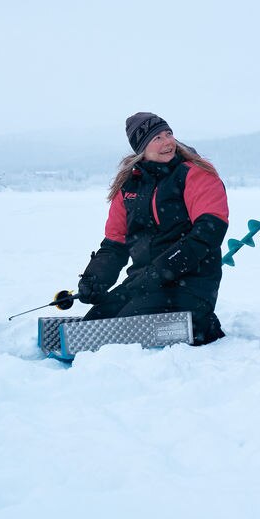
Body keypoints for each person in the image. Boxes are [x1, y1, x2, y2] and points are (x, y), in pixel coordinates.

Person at [75, 112, 229, 345]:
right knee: (95, 323)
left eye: (169, 134)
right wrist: (94, 279)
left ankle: (202, 324)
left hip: (190, 283)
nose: (168, 142)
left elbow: (208, 232)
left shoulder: (195, 174)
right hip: (142, 282)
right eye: (156, 137)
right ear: (142, 149)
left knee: (118, 334)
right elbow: (115, 243)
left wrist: (162, 269)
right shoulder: (129, 186)